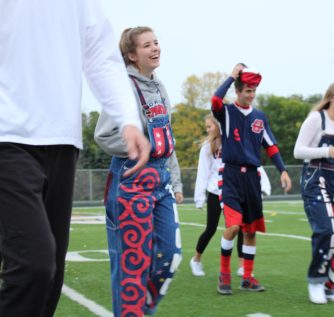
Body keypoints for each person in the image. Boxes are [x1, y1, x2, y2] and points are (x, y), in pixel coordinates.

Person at [0, 1, 150, 316]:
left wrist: (128, 119)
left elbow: (100, 56)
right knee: (33, 265)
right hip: (7, 137)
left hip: (63, 140)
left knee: (50, 278)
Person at [94, 26, 182, 316]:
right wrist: (137, 146)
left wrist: (176, 180)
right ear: (131, 55)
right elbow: (104, 135)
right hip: (131, 178)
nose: (155, 48)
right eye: (146, 45)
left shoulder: (159, 86)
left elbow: (166, 138)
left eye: (156, 42)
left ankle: (139, 311)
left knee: (170, 256)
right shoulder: (123, 87)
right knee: (132, 264)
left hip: (161, 180)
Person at [211, 64, 292, 295]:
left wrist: (283, 170)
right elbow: (215, 100)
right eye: (247, 90)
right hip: (231, 176)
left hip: (252, 179)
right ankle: (224, 273)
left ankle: (247, 277)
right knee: (234, 226)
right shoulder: (226, 112)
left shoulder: (260, 117)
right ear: (238, 91)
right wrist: (230, 76)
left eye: (254, 90)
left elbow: (271, 146)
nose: (252, 95)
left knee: (251, 230)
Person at [294, 81, 334, 304]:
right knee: (325, 230)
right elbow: (298, 151)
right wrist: (327, 150)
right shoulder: (316, 119)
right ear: (331, 97)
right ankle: (315, 281)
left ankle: (330, 283)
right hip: (316, 178)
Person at [190, 115, 271, 277]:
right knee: (211, 228)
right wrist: (199, 197)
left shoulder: (236, 141)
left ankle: (242, 264)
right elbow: (203, 173)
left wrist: (264, 185)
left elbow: (253, 162)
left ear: (219, 125)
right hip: (215, 191)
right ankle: (196, 260)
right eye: (206, 127)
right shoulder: (207, 147)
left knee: (242, 226)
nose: (208, 130)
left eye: (209, 126)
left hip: (235, 190)